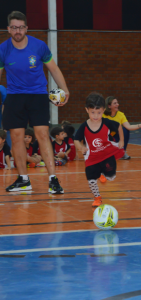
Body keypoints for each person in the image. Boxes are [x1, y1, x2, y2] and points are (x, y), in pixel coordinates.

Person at [0, 11, 69, 193]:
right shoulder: (3, 49)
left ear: (26, 28)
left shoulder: (39, 46)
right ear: (8, 29)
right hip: (14, 96)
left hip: (37, 95)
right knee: (16, 138)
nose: (18, 30)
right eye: (14, 27)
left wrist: (65, 89)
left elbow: (53, 68)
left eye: (21, 27)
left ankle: (53, 180)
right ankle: (23, 180)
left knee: (43, 135)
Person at [74, 92, 125, 207]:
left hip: (107, 154)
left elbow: (118, 126)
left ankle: (103, 173)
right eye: (93, 112)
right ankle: (97, 198)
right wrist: (81, 147)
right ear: (87, 110)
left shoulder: (106, 123)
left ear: (103, 110)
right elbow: (76, 140)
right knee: (91, 179)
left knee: (111, 178)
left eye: (99, 112)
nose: (96, 116)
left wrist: (121, 141)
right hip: (92, 157)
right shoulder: (84, 126)